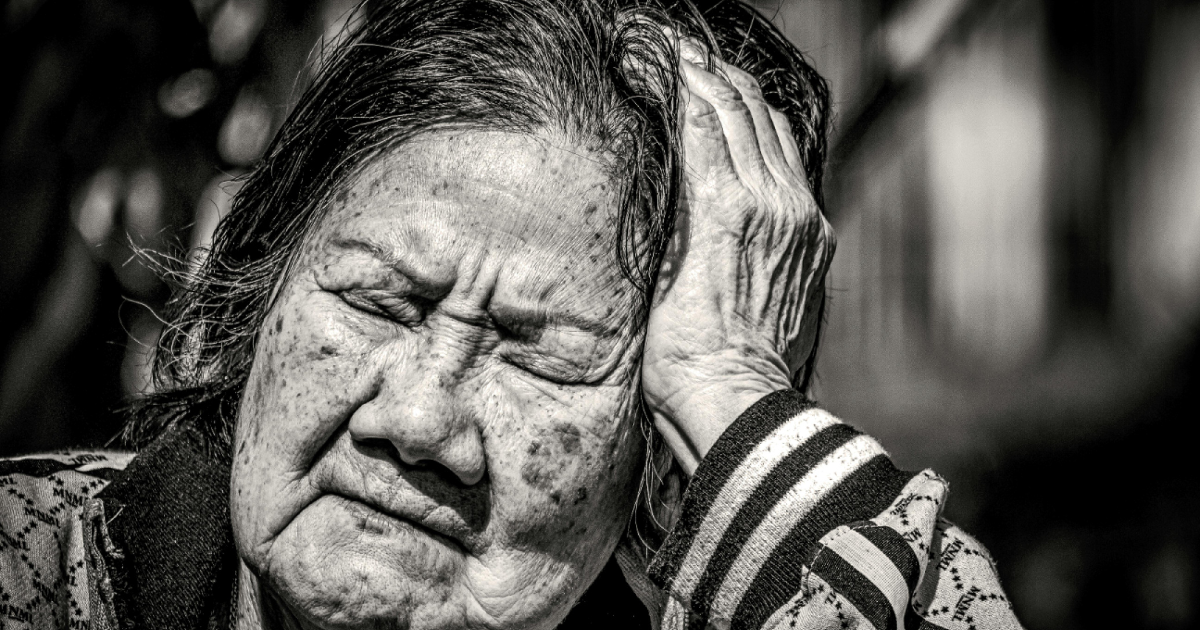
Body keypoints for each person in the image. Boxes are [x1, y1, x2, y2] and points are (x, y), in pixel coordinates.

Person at [0, 1, 1024, 628]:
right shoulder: (33, 572)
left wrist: (733, 394)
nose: (415, 422)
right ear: (256, 296)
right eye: (377, 300)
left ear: (667, 466)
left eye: (543, 360)